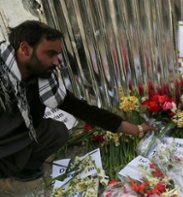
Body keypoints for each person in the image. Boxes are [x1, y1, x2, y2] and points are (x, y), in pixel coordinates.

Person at [0, 20, 154, 182]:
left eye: (57, 55)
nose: (56, 62)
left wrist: (134, 129)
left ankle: (21, 168)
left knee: (57, 132)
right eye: (49, 54)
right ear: (25, 49)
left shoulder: (41, 77)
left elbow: (81, 109)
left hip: (21, 133)